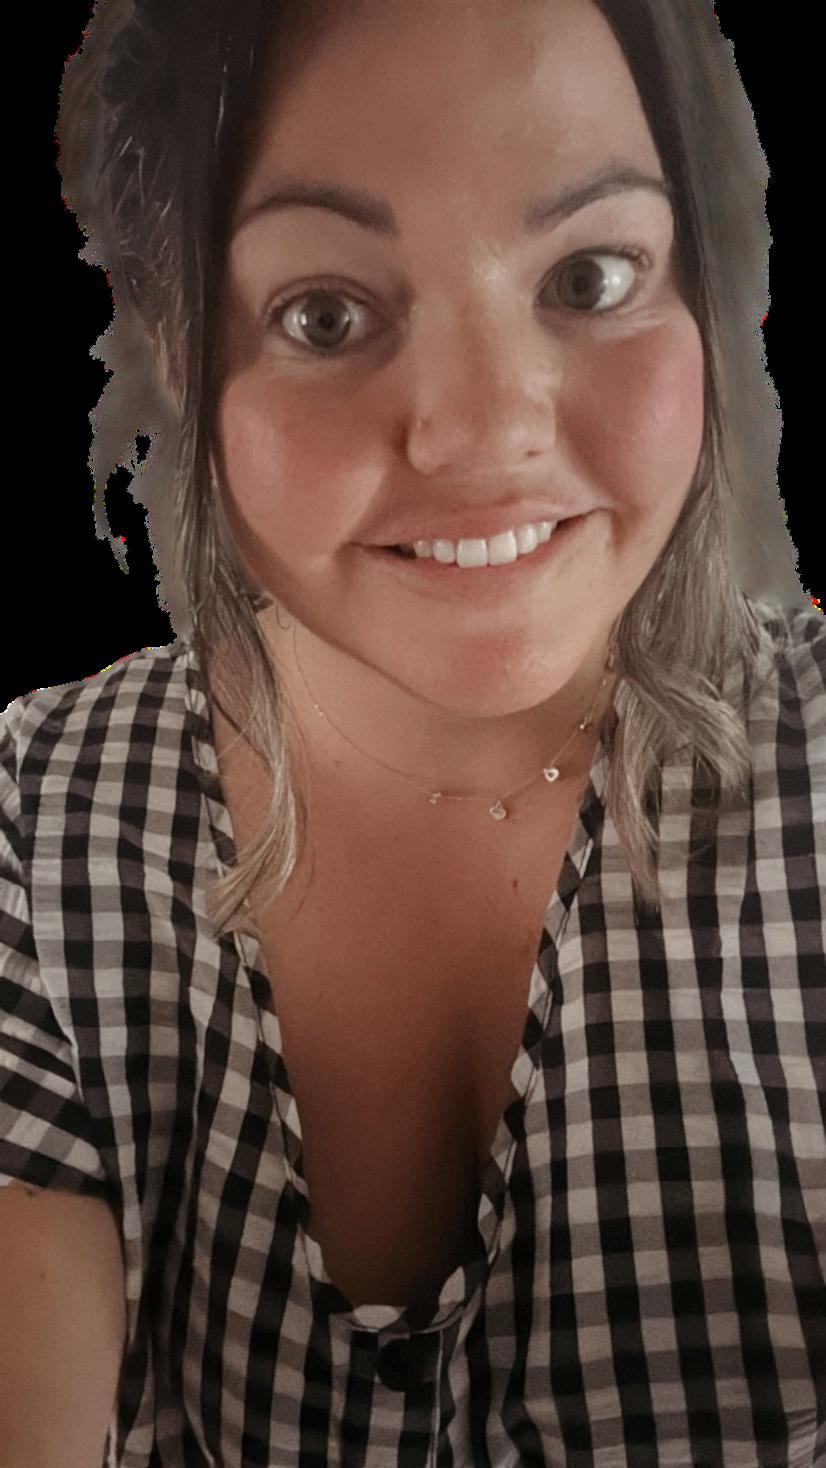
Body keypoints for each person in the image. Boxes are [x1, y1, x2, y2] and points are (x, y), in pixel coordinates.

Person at [2, 1, 824, 1464]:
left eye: (591, 275)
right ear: (178, 344)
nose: (485, 429)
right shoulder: (37, 821)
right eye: (325, 315)